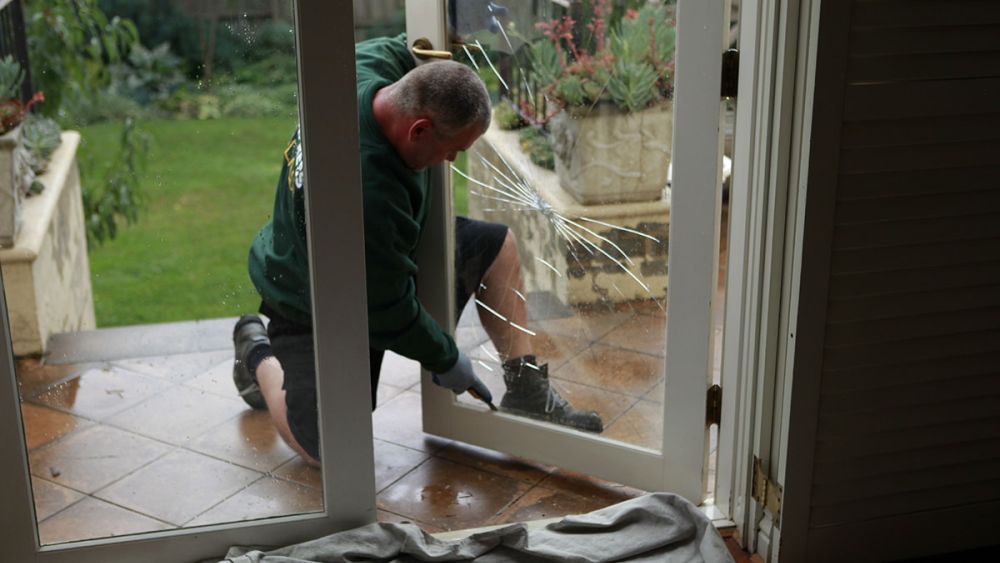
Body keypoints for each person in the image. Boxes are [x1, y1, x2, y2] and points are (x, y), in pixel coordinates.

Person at [232, 33, 602, 466]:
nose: (452, 162)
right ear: (419, 129)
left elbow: (404, 45)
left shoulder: (369, 73)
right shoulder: (369, 191)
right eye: (453, 149)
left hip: (377, 257)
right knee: (327, 447)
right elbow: (390, 308)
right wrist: (447, 359)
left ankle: (527, 389)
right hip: (307, 291)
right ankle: (255, 348)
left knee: (497, 246)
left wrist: (450, 30)